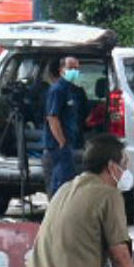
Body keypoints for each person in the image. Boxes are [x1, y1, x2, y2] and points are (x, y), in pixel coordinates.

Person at [25, 132, 134, 267]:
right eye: (124, 164)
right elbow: (120, 257)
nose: (126, 171)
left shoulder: (65, 188)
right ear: (111, 166)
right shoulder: (109, 194)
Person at [43, 54, 94, 195]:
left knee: (68, 186)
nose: (74, 72)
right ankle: (55, 215)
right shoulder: (57, 90)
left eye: (77, 68)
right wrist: (61, 142)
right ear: (61, 70)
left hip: (71, 145)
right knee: (59, 186)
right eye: (71, 68)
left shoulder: (74, 91)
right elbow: (53, 118)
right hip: (58, 148)